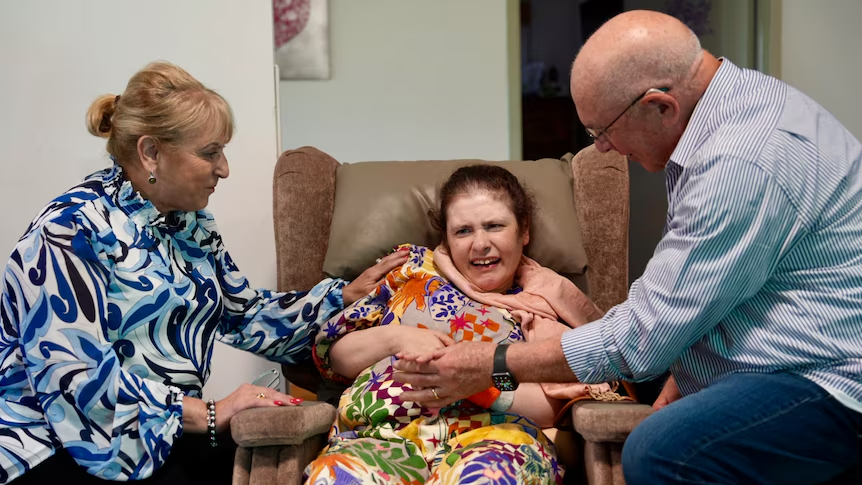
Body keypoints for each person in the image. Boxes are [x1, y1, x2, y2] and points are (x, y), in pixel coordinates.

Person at [393, 10, 862, 485]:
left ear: (661, 106)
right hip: (778, 341)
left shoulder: (739, 162)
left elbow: (638, 338)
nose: (601, 149)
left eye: (602, 131)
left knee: (660, 452)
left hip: (830, 376)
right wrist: (688, 362)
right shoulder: (729, 106)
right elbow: (704, 288)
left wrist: (490, 364)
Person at [0, 61, 407, 484]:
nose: (225, 168)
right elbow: (77, 381)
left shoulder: (190, 224)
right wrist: (209, 412)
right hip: (57, 445)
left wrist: (339, 299)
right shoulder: (69, 230)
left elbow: (243, 315)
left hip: (159, 432)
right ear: (150, 152)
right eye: (211, 152)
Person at [304, 165, 614, 485]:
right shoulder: (411, 272)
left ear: (524, 231)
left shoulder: (545, 303)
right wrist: (398, 338)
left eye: (494, 226)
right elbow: (336, 357)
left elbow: (553, 407)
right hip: (380, 436)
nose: (479, 244)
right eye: (463, 231)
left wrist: (481, 384)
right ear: (447, 238)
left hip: (495, 441)